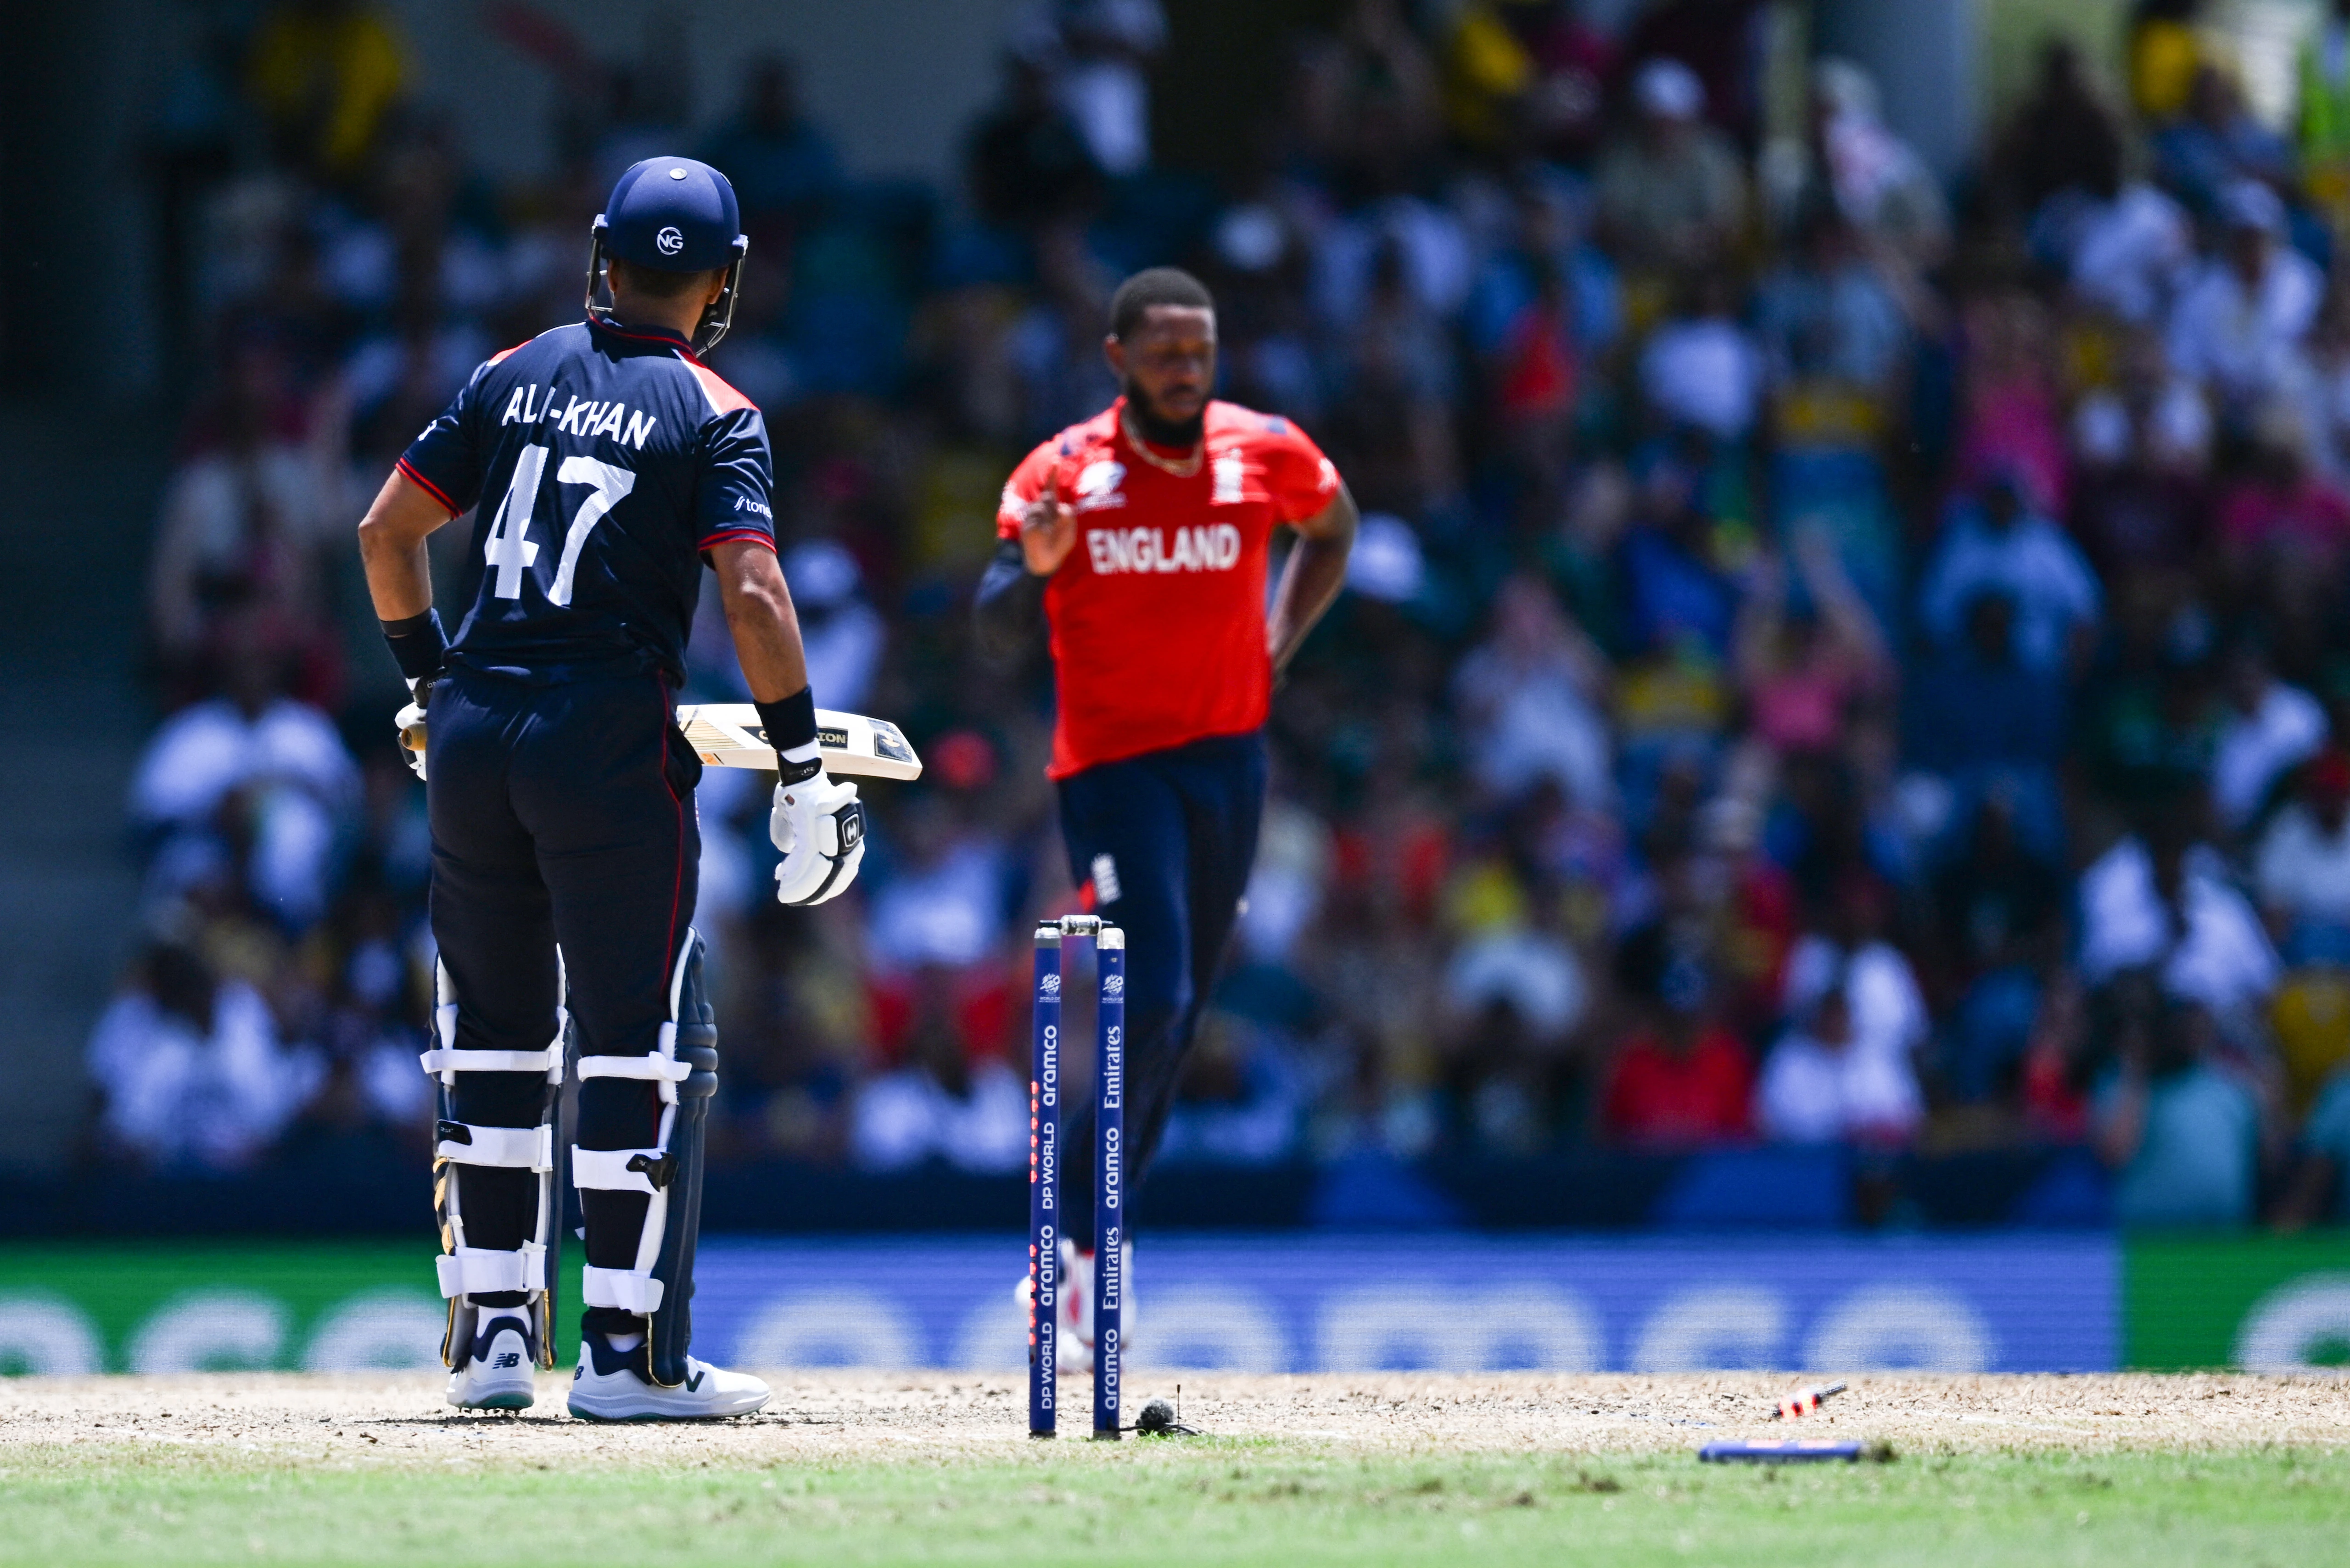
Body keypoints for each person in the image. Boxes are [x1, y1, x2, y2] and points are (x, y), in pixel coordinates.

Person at [355, 157, 867, 1418]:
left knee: (493, 1030)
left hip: (477, 730)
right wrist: (803, 765)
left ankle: (488, 1342)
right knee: (629, 1042)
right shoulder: (714, 410)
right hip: (605, 738)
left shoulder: (510, 370)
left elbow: (386, 536)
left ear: (603, 254)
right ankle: (628, 1363)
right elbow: (752, 593)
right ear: (725, 279)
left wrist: (428, 683)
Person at [974, 266, 1357, 1361]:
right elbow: (994, 624)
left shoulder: (1264, 449)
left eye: (1200, 352)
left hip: (1230, 762)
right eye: (1163, 354)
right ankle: (1096, 1246)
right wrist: (1033, 570)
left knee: (1182, 1016)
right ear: (1117, 361)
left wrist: (1281, 641)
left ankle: (1090, 1237)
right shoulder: (1065, 471)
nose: (1186, 372)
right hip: (1110, 768)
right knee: (1159, 989)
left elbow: (1334, 527)